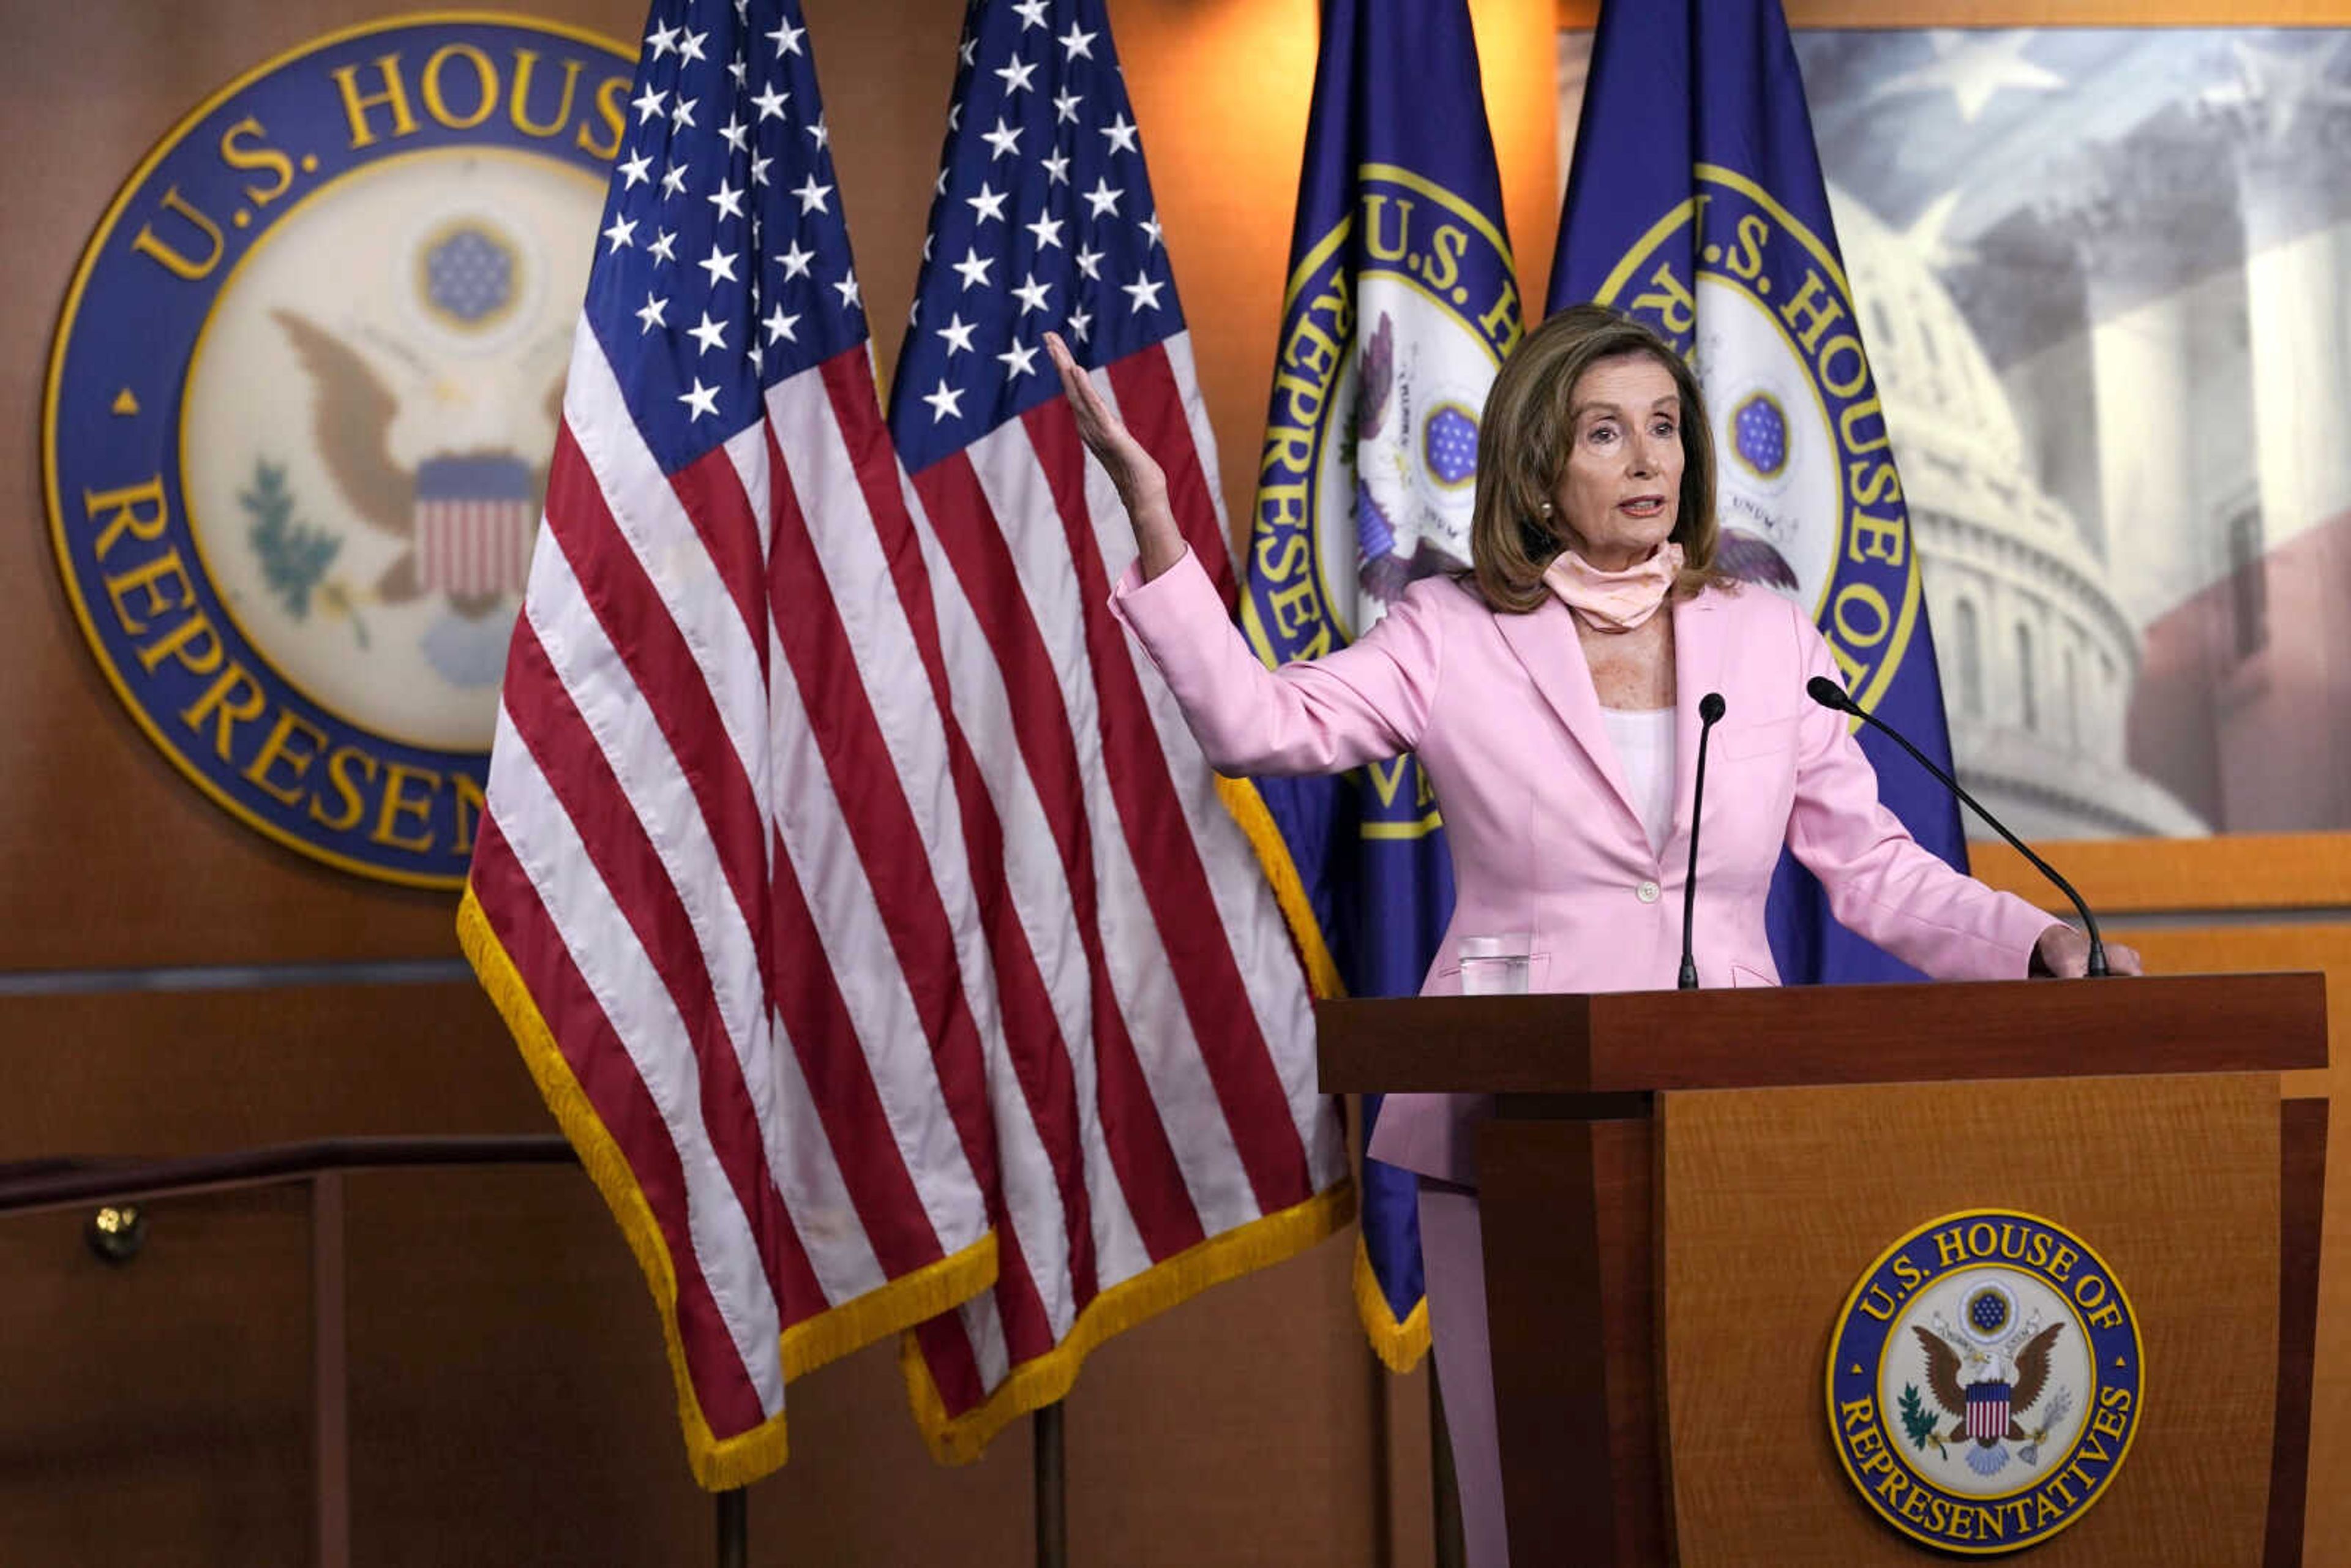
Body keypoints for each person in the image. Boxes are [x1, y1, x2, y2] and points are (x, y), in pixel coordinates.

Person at [1045, 304, 2139, 1567]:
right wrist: (1157, 526)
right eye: (1606, 431)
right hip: (1510, 1112)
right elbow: (1258, 727)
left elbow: (1876, 867)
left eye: (1665, 428)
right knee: (1537, 1497)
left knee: (1733, 1473)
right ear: (1538, 468)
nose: (1648, 460)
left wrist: (2030, 941)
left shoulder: (1770, 636)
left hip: (1734, 1109)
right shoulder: (1451, 634)